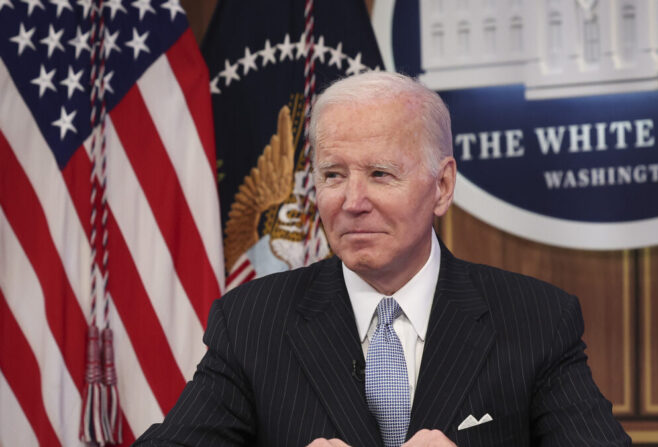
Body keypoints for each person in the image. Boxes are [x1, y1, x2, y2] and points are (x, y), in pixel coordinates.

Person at [134, 72, 631, 446]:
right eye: (332, 175)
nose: (351, 201)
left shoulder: (536, 319)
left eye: (379, 174)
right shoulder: (250, 322)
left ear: (442, 186)